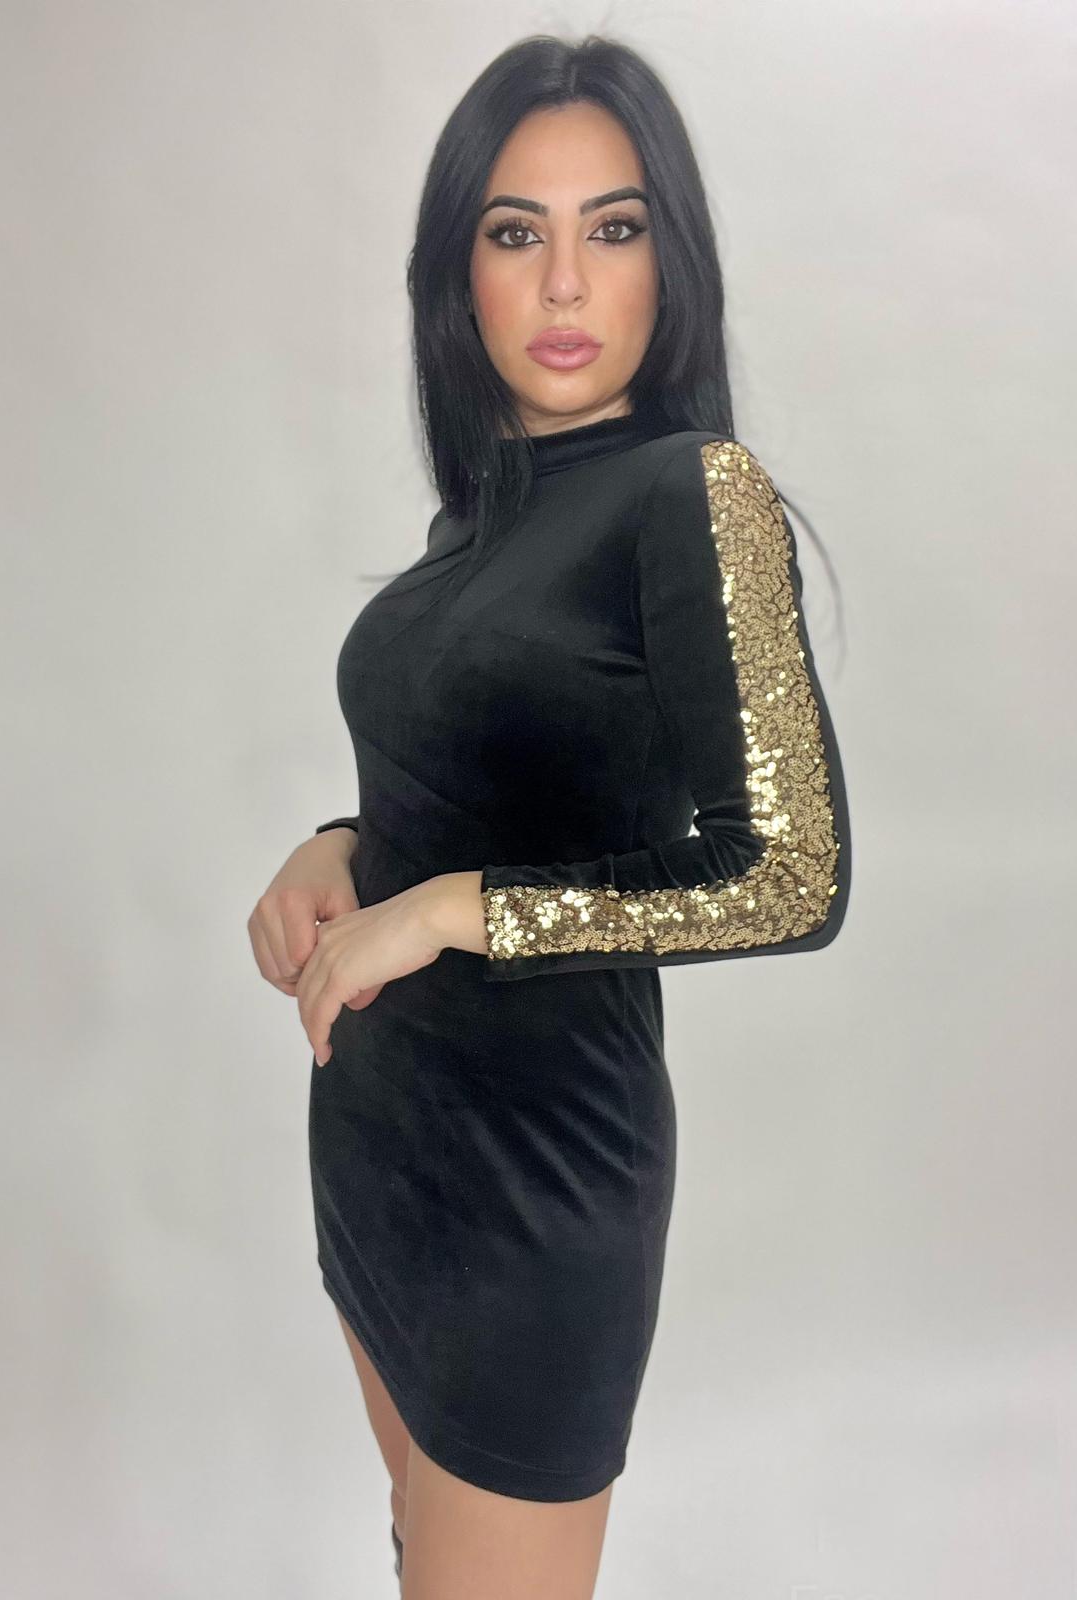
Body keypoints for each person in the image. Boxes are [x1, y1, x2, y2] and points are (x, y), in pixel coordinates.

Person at [248, 33, 852, 1600]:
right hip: (382, 1155)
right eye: (517, 232)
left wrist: (455, 909)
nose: (567, 283)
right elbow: (495, 769)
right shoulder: (482, 515)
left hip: (534, 1200)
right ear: (458, 273)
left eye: (615, 227)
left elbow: (788, 875)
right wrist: (342, 846)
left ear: (673, 257)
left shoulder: (693, 493)